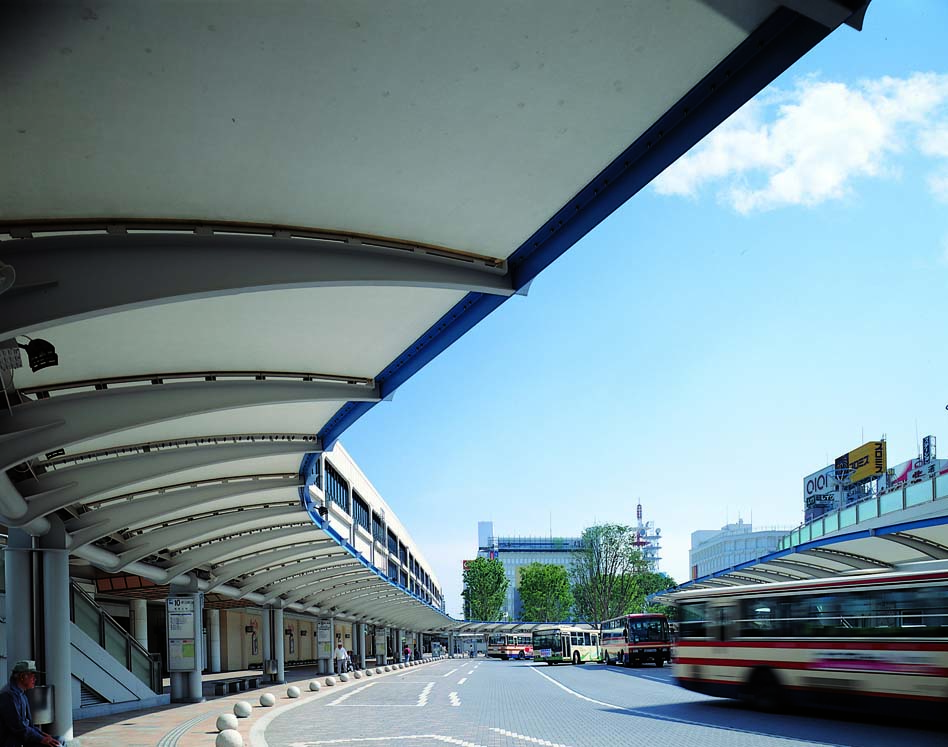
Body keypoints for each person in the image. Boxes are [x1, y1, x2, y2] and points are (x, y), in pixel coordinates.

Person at [0, 661, 60, 747]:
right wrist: (41, 739)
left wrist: (43, 735)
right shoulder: (8, 696)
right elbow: (19, 728)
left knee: (60, 740)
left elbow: (29, 725)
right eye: (33, 676)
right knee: (57, 745)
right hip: (13, 742)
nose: (35, 679)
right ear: (22, 676)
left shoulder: (21, 694)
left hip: (23, 738)